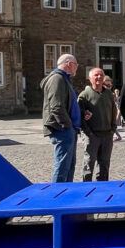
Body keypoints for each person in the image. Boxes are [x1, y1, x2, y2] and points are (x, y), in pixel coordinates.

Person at [41, 54, 81, 183]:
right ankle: (56, 193)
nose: (76, 67)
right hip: (62, 129)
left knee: (69, 167)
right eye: (76, 65)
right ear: (69, 64)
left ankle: (67, 191)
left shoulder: (64, 79)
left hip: (69, 129)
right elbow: (56, 106)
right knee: (62, 167)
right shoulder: (57, 79)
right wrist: (67, 126)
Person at [78, 68, 118, 182]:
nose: (99, 77)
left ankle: (102, 185)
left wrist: (113, 129)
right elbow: (80, 116)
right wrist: (88, 133)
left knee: (104, 163)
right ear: (90, 78)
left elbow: (113, 111)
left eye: (101, 75)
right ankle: (86, 185)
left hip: (107, 135)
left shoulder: (109, 94)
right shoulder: (84, 95)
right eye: (96, 75)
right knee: (89, 162)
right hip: (92, 135)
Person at [103, 76, 121, 142]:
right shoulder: (99, 94)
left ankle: (118, 136)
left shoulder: (112, 95)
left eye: (110, 85)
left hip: (110, 121)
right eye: (107, 85)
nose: (109, 87)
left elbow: (117, 107)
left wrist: (117, 115)